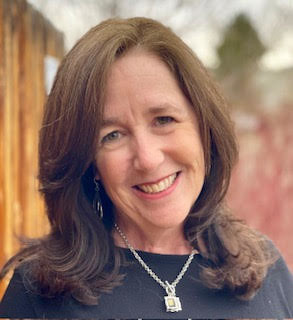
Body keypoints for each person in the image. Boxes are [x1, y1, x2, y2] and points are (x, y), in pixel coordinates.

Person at [0, 17, 292, 319]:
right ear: (89, 162)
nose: (148, 158)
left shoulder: (267, 272)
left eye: (163, 119)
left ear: (203, 127)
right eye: (111, 135)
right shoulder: (39, 293)